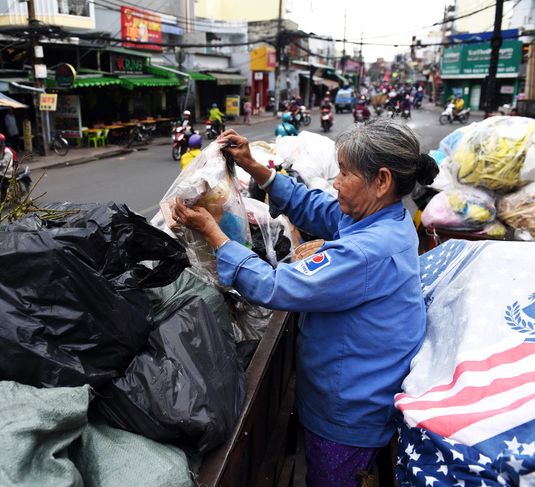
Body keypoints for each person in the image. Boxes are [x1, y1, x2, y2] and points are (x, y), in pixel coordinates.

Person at [172, 119, 439, 487]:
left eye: (345, 174)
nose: (336, 182)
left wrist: (214, 235)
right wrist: (256, 169)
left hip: (348, 414)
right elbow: (322, 210)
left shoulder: (366, 251)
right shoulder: (386, 219)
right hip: (358, 391)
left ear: (381, 180)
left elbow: (275, 286)